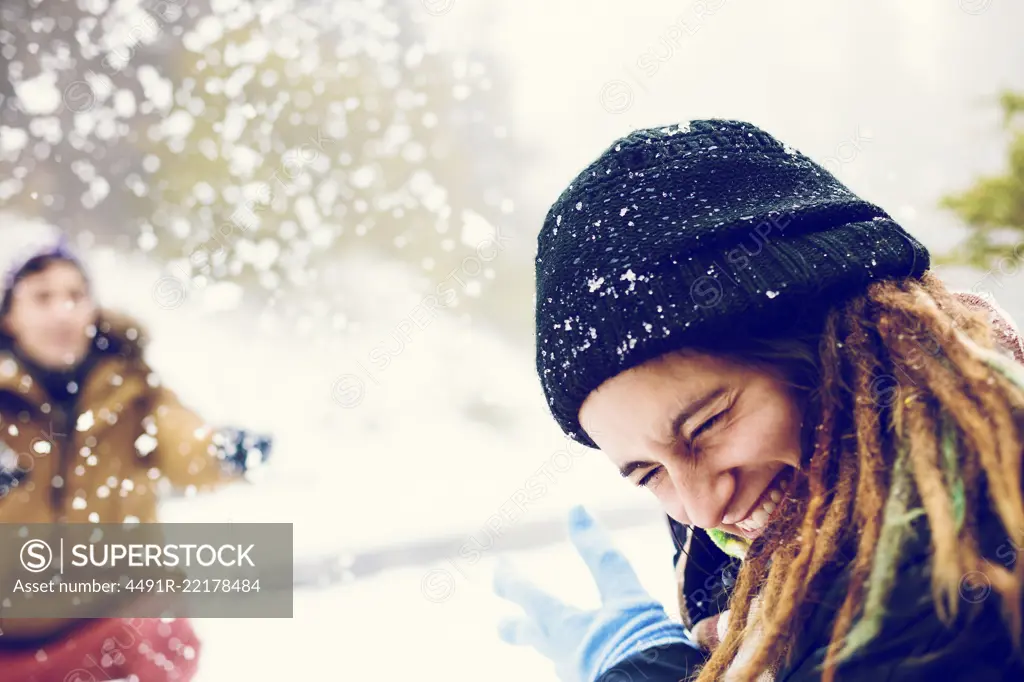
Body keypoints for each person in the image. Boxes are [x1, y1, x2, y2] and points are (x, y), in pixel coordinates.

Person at [493, 119, 1024, 681]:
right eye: (649, 473)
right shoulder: (839, 583)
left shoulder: (952, 582)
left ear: (841, 347)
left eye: (705, 425)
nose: (702, 509)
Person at [0, 232, 272, 682]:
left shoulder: (134, 393)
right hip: (13, 649)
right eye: (42, 297)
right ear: (10, 317)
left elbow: (184, 443)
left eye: (75, 295)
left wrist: (222, 451)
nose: (62, 311)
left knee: (159, 627)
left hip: (113, 631)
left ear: (93, 308)